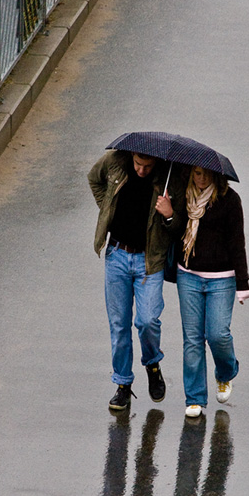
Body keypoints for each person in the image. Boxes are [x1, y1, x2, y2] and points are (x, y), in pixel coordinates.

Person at [89, 150, 186, 410]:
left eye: (147, 166)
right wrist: (107, 206)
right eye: (138, 164)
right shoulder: (114, 162)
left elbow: (179, 226)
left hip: (149, 261)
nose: (142, 170)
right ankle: (122, 384)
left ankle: (152, 363)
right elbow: (93, 179)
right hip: (117, 256)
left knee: (147, 320)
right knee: (119, 326)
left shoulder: (169, 178)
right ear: (132, 155)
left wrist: (168, 214)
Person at [175, 166, 249, 418]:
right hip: (189, 277)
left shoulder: (229, 200)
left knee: (217, 334)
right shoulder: (183, 197)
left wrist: (243, 282)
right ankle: (195, 397)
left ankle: (226, 372)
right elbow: (174, 232)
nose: (202, 178)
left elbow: (237, 242)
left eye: (207, 174)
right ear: (190, 174)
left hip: (221, 279)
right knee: (193, 339)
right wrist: (167, 215)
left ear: (217, 175)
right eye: (197, 173)